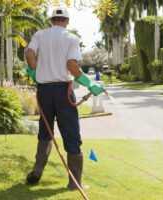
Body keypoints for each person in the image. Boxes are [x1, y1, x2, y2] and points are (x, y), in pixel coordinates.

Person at [24, 7, 105, 190]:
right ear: (67, 21)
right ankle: (74, 183)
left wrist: (34, 69)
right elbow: (71, 64)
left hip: (44, 91)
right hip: (63, 91)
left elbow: (29, 53)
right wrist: (89, 83)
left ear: (51, 20)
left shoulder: (40, 35)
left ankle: (37, 171)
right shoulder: (71, 38)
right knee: (71, 134)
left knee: (45, 132)